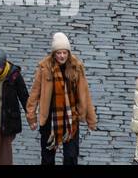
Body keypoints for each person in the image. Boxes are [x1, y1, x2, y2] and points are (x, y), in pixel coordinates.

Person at [26, 32, 98, 166]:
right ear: (54, 53)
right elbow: (35, 93)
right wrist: (31, 116)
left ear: (68, 53)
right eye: (59, 53)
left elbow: (85, 95)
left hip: (71, 120)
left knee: (71, 157)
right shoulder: (44, 68)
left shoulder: (76, 67)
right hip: (49, 119)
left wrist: (91, 120)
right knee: (47, 158)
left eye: (65, 53)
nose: (62, 56)